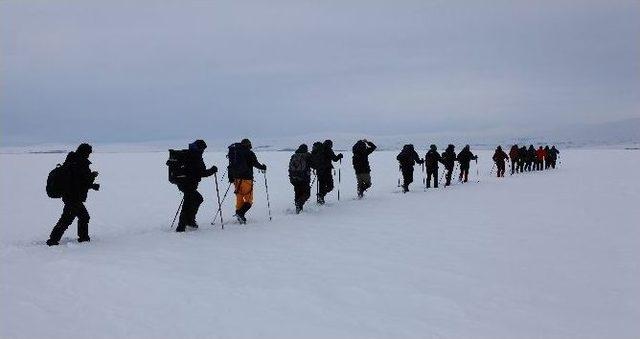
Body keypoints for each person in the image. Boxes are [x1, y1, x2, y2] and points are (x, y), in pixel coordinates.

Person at [47, 143, 100, 246]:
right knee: (74, 218)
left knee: (73, 217)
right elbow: (81, 182)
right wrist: (92, 177)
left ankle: (56, 239)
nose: (89, 154)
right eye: (88, 152)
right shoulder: (80, 163)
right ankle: (54, 240)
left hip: (70, 196)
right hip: (74, 197)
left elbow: (77, 182)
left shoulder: (71, 161)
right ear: (85, 152)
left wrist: (91, 185)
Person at [174, 140, 217, 232]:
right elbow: (202, 173)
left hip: (183, 183)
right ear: (200, 148)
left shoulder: (188, 153)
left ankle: (189, 221)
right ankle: (181, 226)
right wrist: (213, 170)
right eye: (203, 148)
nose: (203, 150)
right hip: (189, 184)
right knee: (188, 203)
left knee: (196, 199)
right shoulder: (196, 157)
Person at [228, 139, 267, 224]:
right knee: (249, 200)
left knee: (239, 197)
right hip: (246, 179)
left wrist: (230, 177)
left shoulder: (235, 152)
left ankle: (239, 214)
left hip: (236, 179)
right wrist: (263, 167)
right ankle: (240, 214)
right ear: (249, 145)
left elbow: (230, 165)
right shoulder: (249, 153)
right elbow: (255, 163)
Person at [310, 140, 343, 204]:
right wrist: (339, 156)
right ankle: (321, 196)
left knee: (321, 184)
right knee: (330, 186)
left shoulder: (319, 150)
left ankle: (321, 199)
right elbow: (335, 159)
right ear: (330, 144)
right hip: (327, 170)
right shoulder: (328, 149)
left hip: (319, 170)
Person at [288, 144, 312, 214]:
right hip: (304, 178)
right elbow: (314, 165)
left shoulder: (294, 156)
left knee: (297, 192)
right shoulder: (307, 156)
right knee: (307, 193)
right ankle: (299, 204)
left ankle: (298, 210)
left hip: (293, 178)